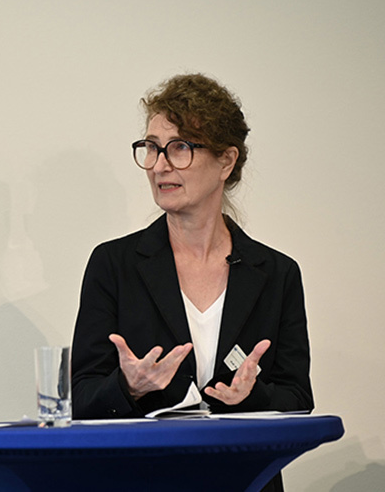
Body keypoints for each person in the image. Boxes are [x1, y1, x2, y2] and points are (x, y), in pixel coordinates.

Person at [71, 74, 312, 491]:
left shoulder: (276, 273)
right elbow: (82, 398)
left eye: (180, 147)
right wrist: (128, 386)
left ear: (226, 161)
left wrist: (250, 398)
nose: (160, 165)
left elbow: (297, 399)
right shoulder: (114, 265)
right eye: (151, 147)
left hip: (245, 481)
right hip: (139, 481)